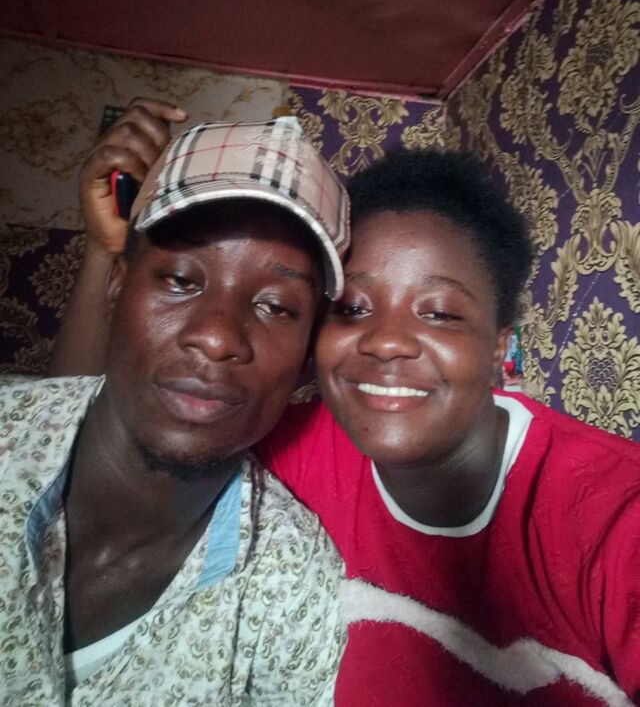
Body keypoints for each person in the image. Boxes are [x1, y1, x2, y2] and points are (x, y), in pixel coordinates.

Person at [52, 102, 640, 706]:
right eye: (353, 309)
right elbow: (79, 434)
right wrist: (103, 251)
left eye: (440, 313)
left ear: (499, 347)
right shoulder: (298, 444)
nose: (385, 341)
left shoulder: (612, 515)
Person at [0, 112, 350, 705]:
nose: (216, 337)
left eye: (275, 306)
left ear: (307, 357)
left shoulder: (295, 590)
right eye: (181, 280)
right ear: (116, 286)